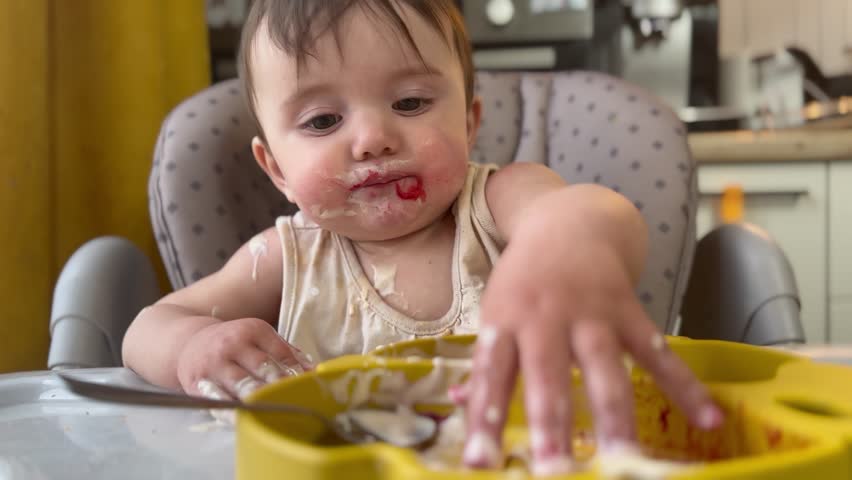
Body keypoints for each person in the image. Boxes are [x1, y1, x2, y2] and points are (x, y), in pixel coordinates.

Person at [122, 0, 723, 474]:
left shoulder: (499, 204)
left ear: (468, 122)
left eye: (410, 102)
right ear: (276, 169)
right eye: (323, 121)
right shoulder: (288, 256)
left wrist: (564, 247)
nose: (373, 138)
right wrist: (192, 348)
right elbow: (149, 327)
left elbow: (592, 214)